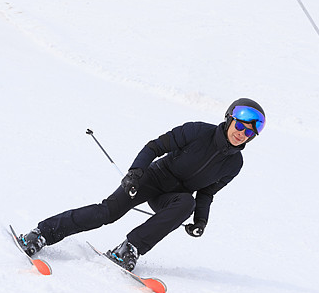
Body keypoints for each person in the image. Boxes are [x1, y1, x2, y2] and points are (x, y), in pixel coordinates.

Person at [16, 98, 266, 271]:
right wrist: (136, 172)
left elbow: (207, 192)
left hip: (174, 196)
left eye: (249, 132)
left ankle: (129, 248)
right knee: (108, 212)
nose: (242, 133)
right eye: (240, 125)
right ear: (229, 119)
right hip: (151, 178)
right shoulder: (198, 131)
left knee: (186, 203)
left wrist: (200, 220)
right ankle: (41, 234)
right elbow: (154, 147)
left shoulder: (234, 164)